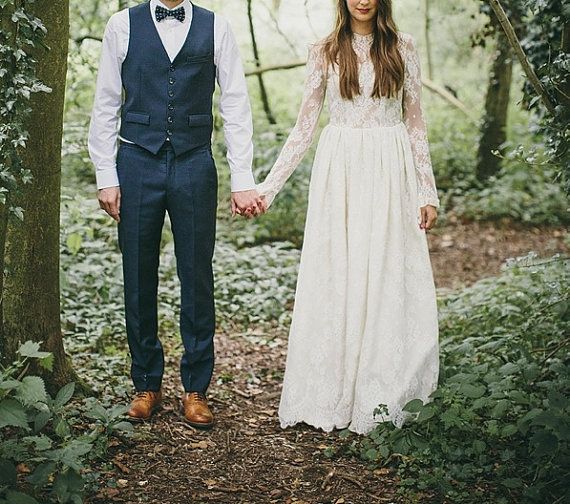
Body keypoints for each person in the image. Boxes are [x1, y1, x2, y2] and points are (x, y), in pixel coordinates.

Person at [256, 0, 440, 434]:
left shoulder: (403, 46)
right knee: (338, 271)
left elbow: (415, 121)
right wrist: (268, 187)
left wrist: (426, 189)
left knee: (386, 270)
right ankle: (330, 388)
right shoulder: (323, 49)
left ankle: (382, 389)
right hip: (340, 169)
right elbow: (305, 126)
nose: (362, 0)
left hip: (390, 165)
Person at [88, 0, 264, 429]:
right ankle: (146, 383)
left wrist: (243, 177)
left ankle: (196, 388)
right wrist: (105, 173)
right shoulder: (121, 25)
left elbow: (236, 104)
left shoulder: (216, 27)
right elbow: (107, 101)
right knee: (138, 274)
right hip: (135, 163)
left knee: (198, 276)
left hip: (194, 163)